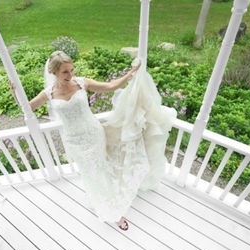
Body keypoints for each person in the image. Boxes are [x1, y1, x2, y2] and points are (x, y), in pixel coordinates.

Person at [16, 50, 176, 231]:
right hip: (74, 140)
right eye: (65, 72)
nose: (70, 75)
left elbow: (111, 87)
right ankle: (100, 197)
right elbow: (27, 108)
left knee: (99, 168)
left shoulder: (82, 83)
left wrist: (130, 74)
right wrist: (16, 93)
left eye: (71, 70)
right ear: (54, 73)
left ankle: (113, 210)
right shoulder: (49, 93)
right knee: (89, 172)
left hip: (93, 135)